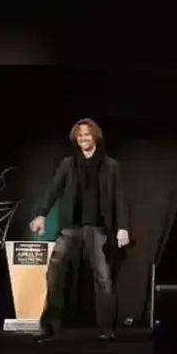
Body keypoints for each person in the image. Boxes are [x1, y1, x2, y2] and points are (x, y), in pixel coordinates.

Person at [29, 118, 130, 341]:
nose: (83, 138)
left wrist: (123, 227)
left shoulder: (111, 166)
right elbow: (53, 190)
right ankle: (49, 326)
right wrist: (41, 214)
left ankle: (107, 327)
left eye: (87, 135)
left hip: (98, 228)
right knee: (54, 273)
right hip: (70, 227)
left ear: (95, 137)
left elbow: (120, 199)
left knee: (103, 278)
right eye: (80, 135)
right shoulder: (68, 164)